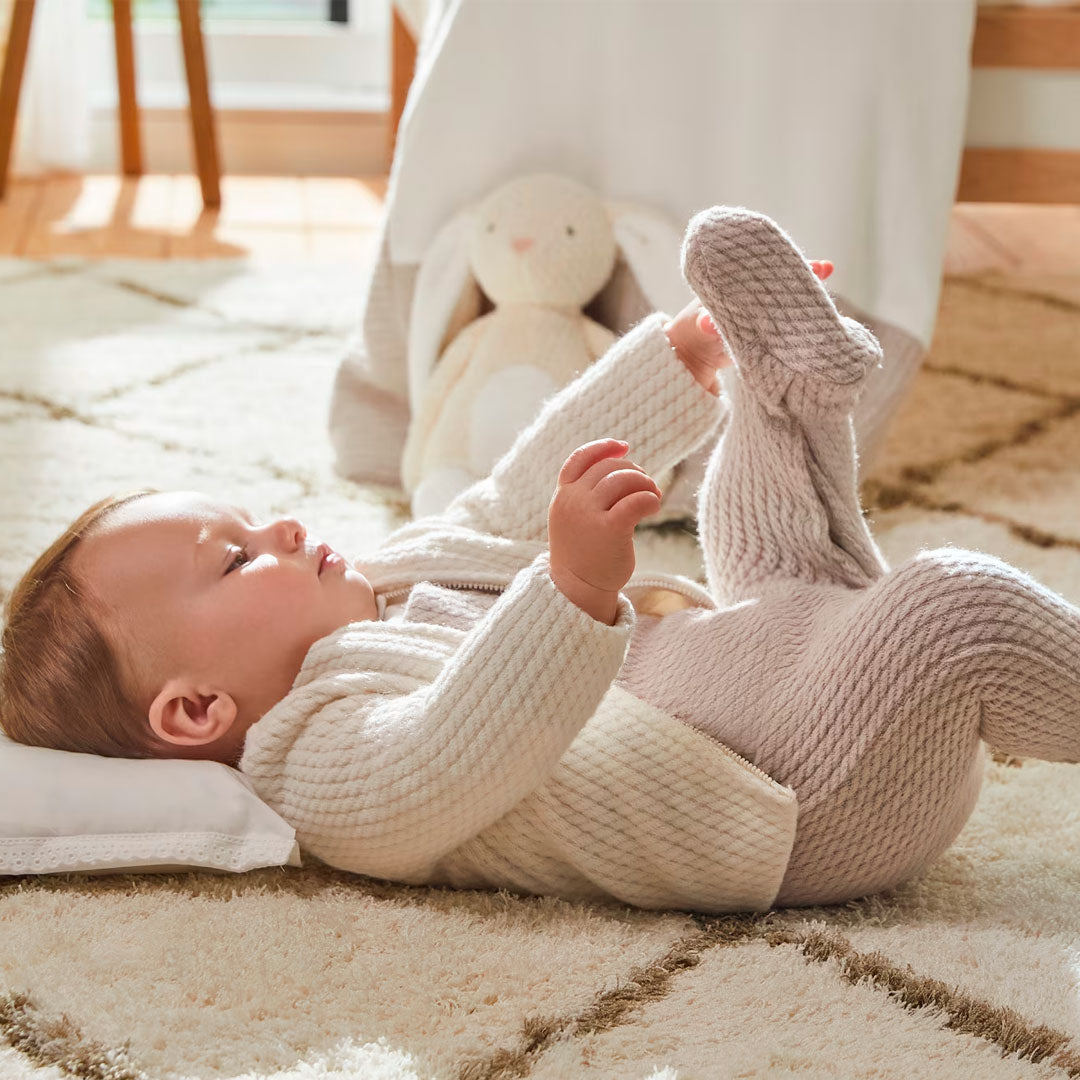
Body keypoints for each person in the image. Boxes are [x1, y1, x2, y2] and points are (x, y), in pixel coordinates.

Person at [2, 208, 1077, 914]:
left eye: (254, 518)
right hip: (795, 797)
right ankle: (850, 536)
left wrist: (674, 361)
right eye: (235, 561)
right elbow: (445, 756)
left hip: (767, 659)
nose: (281, 530)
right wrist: (568, 592)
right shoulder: (313, 762)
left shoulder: (382, 583)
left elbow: (512, 494)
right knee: (956, 610)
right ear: (195, 713)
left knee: (758, 525)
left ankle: (783, 384)